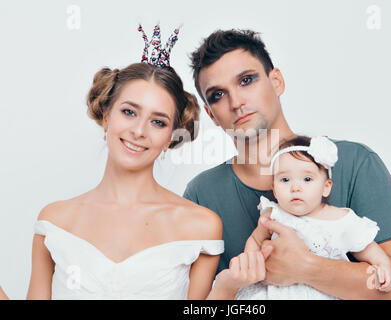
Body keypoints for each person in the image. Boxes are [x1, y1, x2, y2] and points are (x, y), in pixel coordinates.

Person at [26, 24, 267, 300]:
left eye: (157, 121)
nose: (139, 131)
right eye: (129, 112)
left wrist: (227, 287)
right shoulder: (54, 221)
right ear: (106, 116)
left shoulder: (200, 225)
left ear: (170, 137)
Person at [183, 29, 391, 299]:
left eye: (246, 80)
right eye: (217, 95)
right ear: (211, 115)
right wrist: (229, 285)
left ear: (277, 81)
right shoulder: (201, 194)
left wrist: (306, 268)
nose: (236, 102)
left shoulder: (354, 163)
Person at [236, 135, 391, 299]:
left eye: (307, 179)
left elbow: (368, 248)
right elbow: (255, 240)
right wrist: (251, 262)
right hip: (277, 292)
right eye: (285, 179)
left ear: (326, 187)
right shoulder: (273, 215)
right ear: (275, 190)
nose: (295, 187)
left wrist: (383, 266)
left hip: (323, 291)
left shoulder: (340, 219)